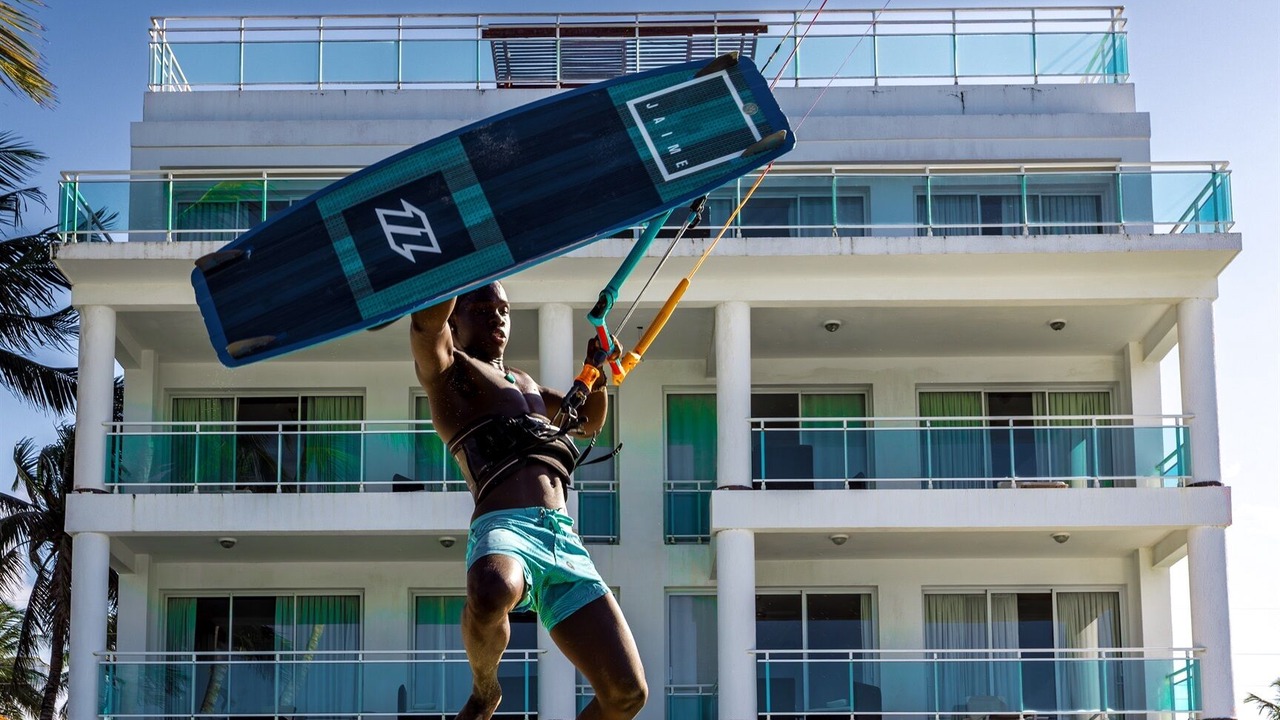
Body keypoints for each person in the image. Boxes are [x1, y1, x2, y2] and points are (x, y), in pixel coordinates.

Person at [409, 281, 647, 720]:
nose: (496, 316)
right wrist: (456, 265)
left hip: (562, 539)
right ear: (455, 322)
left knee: (627, 693)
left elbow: (589, 419)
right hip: (505, 528)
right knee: (490, 589)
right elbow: (426, 327)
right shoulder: (450, 373)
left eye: (503, 309)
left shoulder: (528, 386)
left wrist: (594, 368)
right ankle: (485, 691)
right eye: (480, 309)